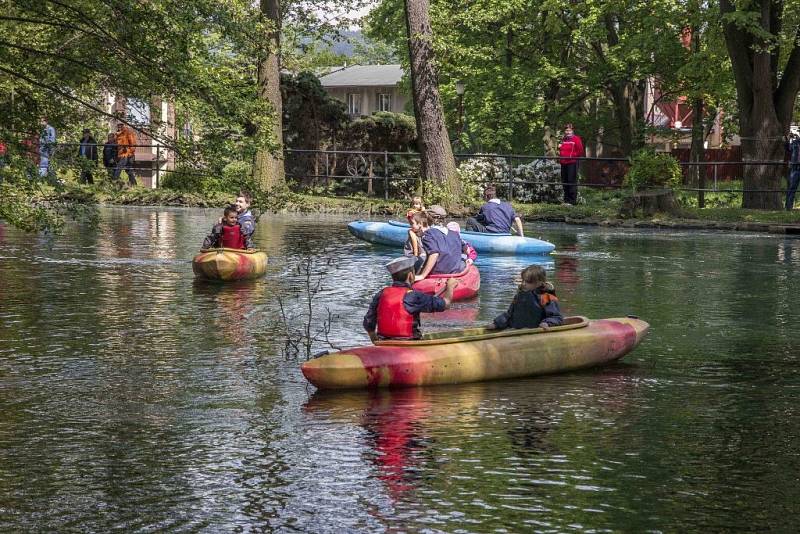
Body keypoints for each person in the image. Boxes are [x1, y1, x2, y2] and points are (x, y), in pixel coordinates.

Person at [363, 256, 459, 341]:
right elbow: (445, 304)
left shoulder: (381, 293)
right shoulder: (413, 296)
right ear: (410, 276)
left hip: (383, 341)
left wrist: (375, 340)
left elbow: (368, 322)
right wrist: (450, 286)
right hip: (408, 342)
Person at [493, 264, 564, 330]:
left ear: (540, 282)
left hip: (535, 331)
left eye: (528, 282)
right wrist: (497, 323)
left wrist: (547, 323)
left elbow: (556, 317)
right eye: (523, 280)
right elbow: (509, 315)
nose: (524, 284)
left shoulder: (546, 297)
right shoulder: (519, 295)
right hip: (515, 330)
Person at [416, 205, 465, 281]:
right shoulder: (455, 234)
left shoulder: (428, 234)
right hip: (454, 274)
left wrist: (422, 276)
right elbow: (466, 250)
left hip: (437, 275)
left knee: (417, 261)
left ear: (428, 217)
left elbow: (434, 254)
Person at [558, 123, 584, 205]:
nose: (568, 132)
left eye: (569, 130)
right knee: (564, 181)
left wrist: (573, 156)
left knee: (571, 181)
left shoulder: (576, 139)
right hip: (563, 162)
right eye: (566, 130)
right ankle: (566, 200)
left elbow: (580, 151)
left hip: (572, 162)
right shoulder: (564, 139)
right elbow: (562, 150)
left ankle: (572, 201)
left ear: (572, 131)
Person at [113, 123, 137, 187]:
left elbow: (133, 144)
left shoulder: (128, 132)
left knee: (118, 168)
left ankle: (114, 183)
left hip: (126, 154)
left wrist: (129, 153)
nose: (119, 126)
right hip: (120, 154)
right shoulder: (117, 135)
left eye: (121, 125)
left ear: (124, 126)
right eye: (118, 125)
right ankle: (134, 184)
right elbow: (116, 145)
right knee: (128, 170)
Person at [785, 133, 800, 211]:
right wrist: (788, 139)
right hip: (795, 168)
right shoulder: (795, 143)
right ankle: (788, 208)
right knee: (791, 188)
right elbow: (788, 149)